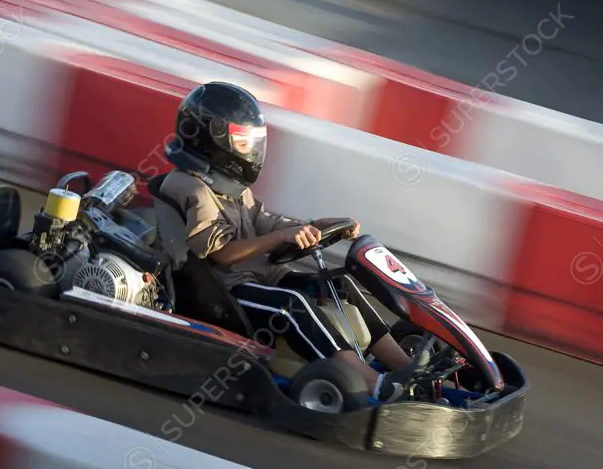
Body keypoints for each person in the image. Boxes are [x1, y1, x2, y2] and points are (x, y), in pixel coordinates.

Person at [157, 81, 418, 403]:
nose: (249, 150)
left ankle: (404, 367)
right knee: (291, 305)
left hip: (258, 278)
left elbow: (264, 221)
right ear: (209, 138)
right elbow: (223, 254)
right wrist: (281, 237)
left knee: (340, 285)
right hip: (225, 294)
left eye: (250, 142)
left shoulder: (229, 185)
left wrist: (312, 227)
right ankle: (367, 380)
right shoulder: (191, 187)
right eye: (241, 141)